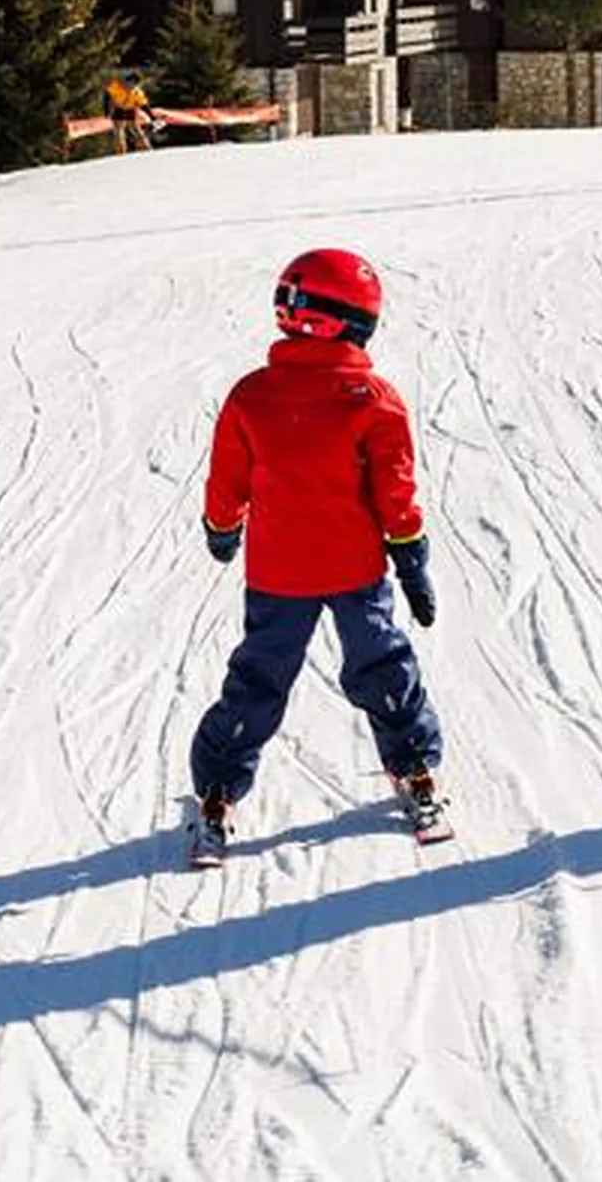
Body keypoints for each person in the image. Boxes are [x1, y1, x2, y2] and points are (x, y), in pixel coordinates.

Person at [185, 247, 448, 853]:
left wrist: (221, 526)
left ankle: (219, 785)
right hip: (356, 572)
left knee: (259, 677)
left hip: (279, 575)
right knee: (381, 663)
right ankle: (412, 763)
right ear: (356, 321)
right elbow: (394, 490)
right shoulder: (372, 396)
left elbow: (229, 477)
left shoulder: (251, 395)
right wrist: (410, 556)